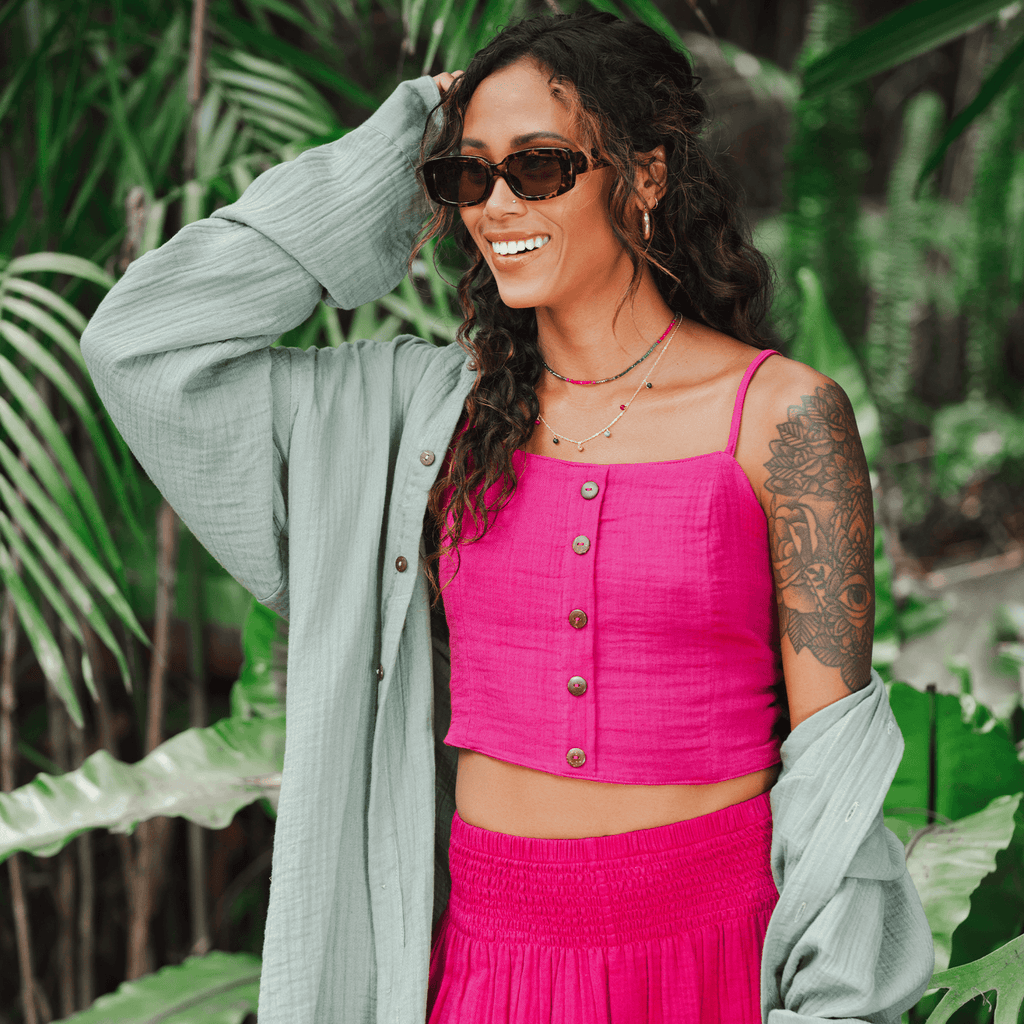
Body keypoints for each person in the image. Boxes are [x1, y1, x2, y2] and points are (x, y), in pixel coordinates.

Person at [80, 10, 934, 1024]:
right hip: (493, 967)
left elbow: (835, 766)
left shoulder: (783, 417)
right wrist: (409, 133)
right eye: (466, 175)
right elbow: (143, 344)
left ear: (645, 175)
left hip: (713, 958)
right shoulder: (423, 421)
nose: (494, 206)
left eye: (537, 167)